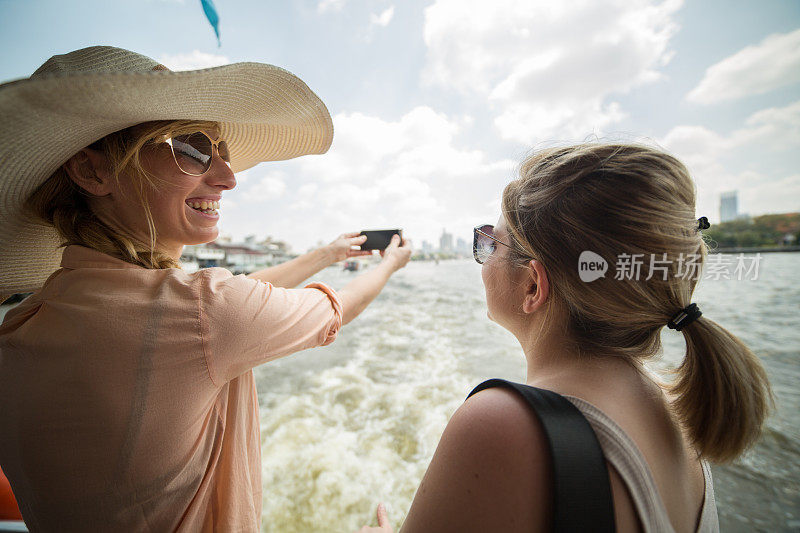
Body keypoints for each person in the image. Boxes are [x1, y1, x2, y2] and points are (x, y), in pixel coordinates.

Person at [0, 46, 411, 531]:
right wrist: (389, 266)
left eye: (223, 153)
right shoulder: (203, 315)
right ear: (92, 170)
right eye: (192, 150)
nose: (228, 178)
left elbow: (213, 307)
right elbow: (327, 306)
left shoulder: (23, 326)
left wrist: (326, 254)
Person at [357, 144, 773, 532]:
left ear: (534, 286)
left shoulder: (502, 424)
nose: (482, 258)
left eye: (490, 244)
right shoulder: (682, 408)